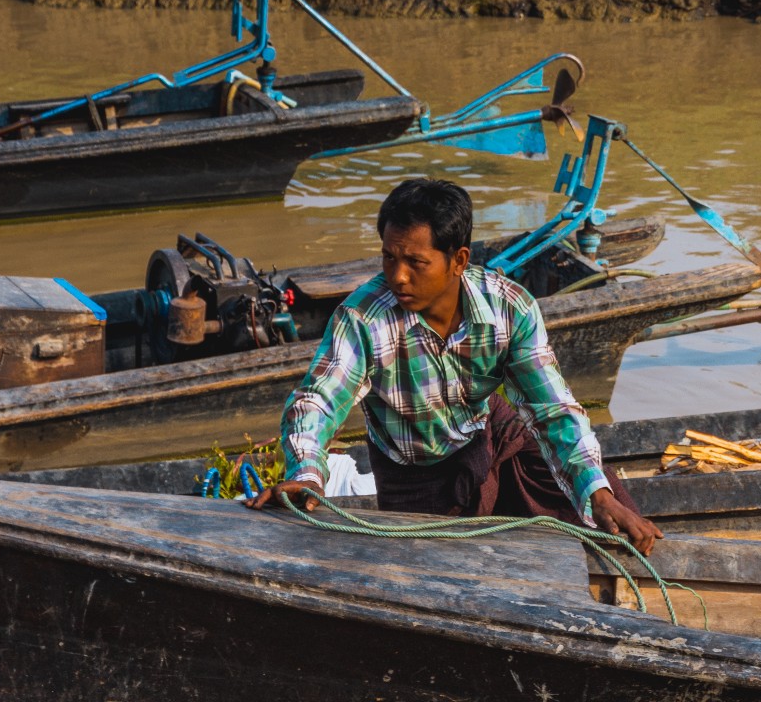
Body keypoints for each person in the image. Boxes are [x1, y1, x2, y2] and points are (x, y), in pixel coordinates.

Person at [246, 177, 662, 555]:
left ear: (458, 260)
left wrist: (598, 494)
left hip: (492, 432)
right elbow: (318, 400)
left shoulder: (509, 308)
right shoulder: (365, 319)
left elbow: (552, 409)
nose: (399, 277)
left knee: (603, 521)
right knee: (438, 568)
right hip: (415, 468)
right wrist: (307, 472)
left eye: (416, 262)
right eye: (389, 258)